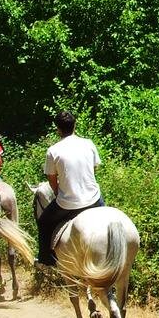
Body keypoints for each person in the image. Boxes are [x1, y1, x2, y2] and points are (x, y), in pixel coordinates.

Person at [35, 111, 104, 266]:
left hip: (68, 203)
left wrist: (58, 192)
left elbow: (52, 179)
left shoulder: (53, 150)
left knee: (44, 222)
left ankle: (46, 259)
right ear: (75, 125)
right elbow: (94, 170)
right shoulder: (89, 143)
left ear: (58, 129)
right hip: (94, 199)